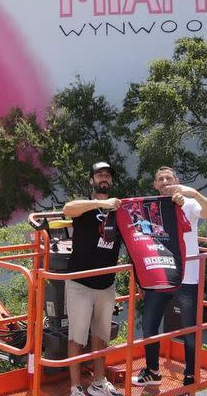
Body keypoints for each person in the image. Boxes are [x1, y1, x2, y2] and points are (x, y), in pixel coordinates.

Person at [131, 166, 207, 388]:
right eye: (160, 179)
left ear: (176, 181)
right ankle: (152, 372)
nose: (164, 182)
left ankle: (190, 376)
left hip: (186, 278)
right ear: (154, 185)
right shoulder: (148, 208)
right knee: (149, 327)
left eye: (168, 178)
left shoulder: (187, 204)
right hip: (158, 276)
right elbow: (140, 244)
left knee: (190, 330)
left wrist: (193, 193)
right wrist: (139, 278)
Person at [61, 162, 123, 396]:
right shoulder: (86, 206)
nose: (103, 178)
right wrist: (100, 203)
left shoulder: (118, 210)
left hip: (106, 283)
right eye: (99, 175)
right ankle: (75, 388)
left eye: (107, 175)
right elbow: (68, 209)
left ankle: (99, 382)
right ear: (92, 180)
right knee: (77, 337)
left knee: (101, 336)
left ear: (112, 181)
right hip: (81, 283)